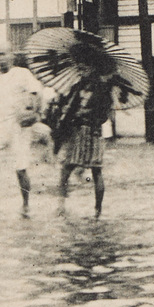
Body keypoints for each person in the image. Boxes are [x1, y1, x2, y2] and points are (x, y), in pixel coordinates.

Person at [0, 43, 44, 218]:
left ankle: (26, 204)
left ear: (12, 55)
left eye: (4, 54)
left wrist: (36, 113)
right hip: (0, 126)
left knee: (21, 168)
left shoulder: (21, 73)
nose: (1, 58)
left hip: (19, 125)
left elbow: (37, 93)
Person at [53, 71, 115, 218]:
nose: (81, 70)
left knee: (94, 171)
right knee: (68, 169)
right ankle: (62, 206)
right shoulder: (79, 87)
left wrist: (86, 112)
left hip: (91, 132)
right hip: (80, 131)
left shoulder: (102, 88)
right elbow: (69, 110)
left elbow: (103, 114)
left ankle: (97, 209)